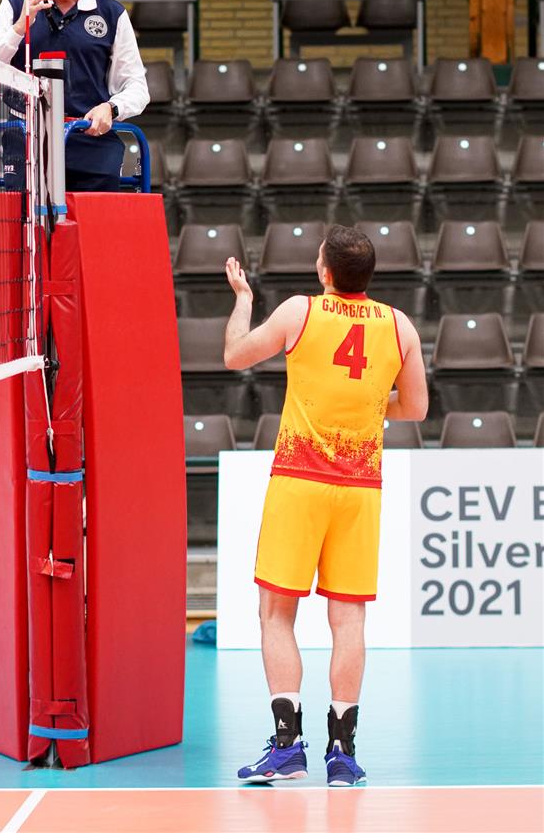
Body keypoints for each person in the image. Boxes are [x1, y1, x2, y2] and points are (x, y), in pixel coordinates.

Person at [224, 224, 428, 786]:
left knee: (276, 613)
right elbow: (415, 408)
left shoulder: (301, 311)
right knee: (349, 618)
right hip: (360, 488)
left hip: (299, 481)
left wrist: (243, 300)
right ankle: (343, 753)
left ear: (325, 271)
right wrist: (369, 402)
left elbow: (234, 354)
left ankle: (288, 747)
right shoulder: (399, 326)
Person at [0, 0, 149, 192]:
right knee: (26, 219)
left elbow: (137, 87)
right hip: (27, 139)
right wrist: (20, 27)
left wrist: (111, 108)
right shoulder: (15, 5)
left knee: (96, 221)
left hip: (90, 139)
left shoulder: (112, 14)